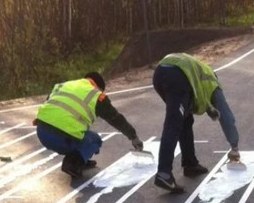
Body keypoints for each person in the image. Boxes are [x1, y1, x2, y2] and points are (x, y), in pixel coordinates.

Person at [152, 52, 242, 194]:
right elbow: (226, 116)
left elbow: (199, 95)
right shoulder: (213, 82)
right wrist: (234, 146)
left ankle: (190, 164)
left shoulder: (202, 75)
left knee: (185, 119)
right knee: (174, 122)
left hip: (161, 73)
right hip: (177, 76)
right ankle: (164, 174)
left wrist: (209, 108)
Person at [34, 72, 143, 178]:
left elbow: (49, 103)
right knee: (94, 140)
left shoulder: (65, 85)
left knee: (82, 135)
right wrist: (133, 136)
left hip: (42, 132)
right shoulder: (96, 95)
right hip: (62, 138)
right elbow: (115, 118)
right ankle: (73, 163)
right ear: (99, 87)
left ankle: (81, 159)